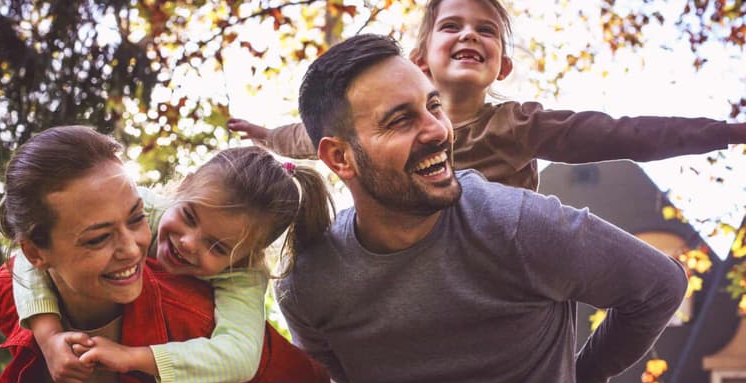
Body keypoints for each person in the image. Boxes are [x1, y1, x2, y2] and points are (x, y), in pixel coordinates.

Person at [273, 34, 689, 383]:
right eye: (400, 120)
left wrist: (582, 376)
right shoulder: (308, 287)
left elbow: (659, 286)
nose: (437, 130)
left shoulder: (516, 225)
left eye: (434, 106)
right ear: (340, 158)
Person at [228, 0, 746, 192]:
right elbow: (315, 134)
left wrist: (724, 133)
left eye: (487, 31)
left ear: (504, 65)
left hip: (500, 261)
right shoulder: (383, 123)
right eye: (451, 25)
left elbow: (623, 132)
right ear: (419, 59)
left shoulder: (518, 125)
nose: (470, 35)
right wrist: (268, 136)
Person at [0, 126, 331, 383]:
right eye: (189, 218)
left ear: (242, 257)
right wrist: (48, 337)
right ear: (182, 187)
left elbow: (239, 357)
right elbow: (26, 252)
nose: (188, 243)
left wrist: (134, 357)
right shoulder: (143, 206)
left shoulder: (235, 280)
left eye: (218, 247)